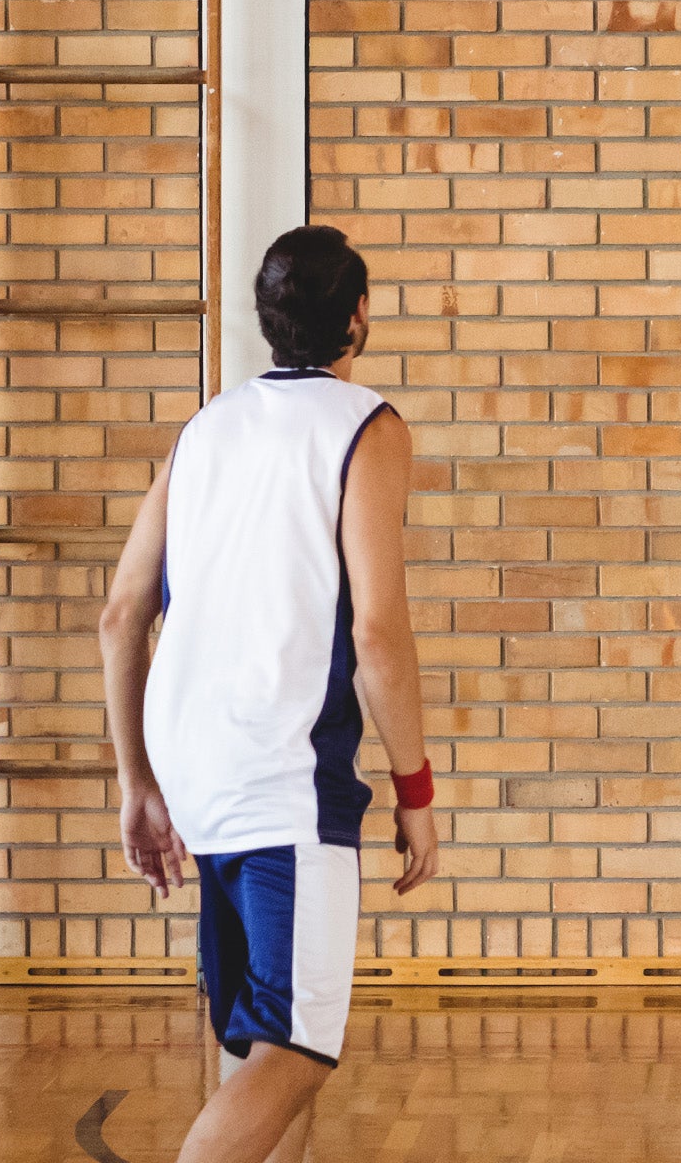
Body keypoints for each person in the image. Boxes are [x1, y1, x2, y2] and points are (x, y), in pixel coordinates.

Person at [100, 226, 438, 1163]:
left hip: (196, 775)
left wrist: (136, 782)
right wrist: (416, 791)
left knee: (256, 1043)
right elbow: (377, 633)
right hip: (283, 777)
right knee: (296, 1051)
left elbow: (122, 612)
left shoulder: (201, 430)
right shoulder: (367, 426)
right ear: (358, 315)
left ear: (267, 318)